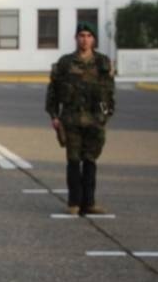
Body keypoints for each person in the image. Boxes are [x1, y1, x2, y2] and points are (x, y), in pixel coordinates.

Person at [46, 22, 116, 215]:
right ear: (76, 38)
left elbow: (108, 93)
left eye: (88, 36)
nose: (85, 39)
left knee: (91, 161)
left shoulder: (102, 62)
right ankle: (74, 203)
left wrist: (104, 116)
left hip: (94, 120)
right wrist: (54, 116)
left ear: (94, 39)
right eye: (81, 35)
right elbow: (53, 92)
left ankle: (89, 203)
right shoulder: (65, 63)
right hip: (71, 119)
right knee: (74, 161)